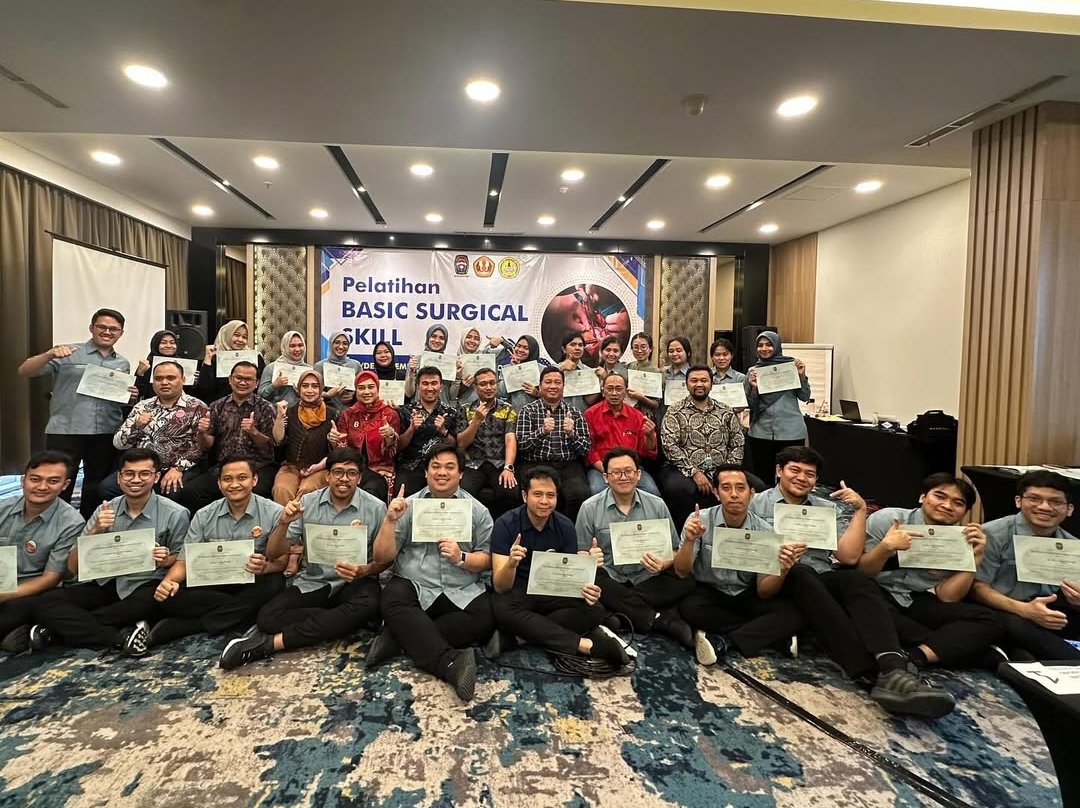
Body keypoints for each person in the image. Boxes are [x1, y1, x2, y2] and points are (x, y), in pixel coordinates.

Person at [750, 447, 957, 717]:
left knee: (856, 580)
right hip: (778, 577)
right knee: (802, 573)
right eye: (795, 470)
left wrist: (859, 511)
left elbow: (847, 556)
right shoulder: (757, 504)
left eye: (810, 474)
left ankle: (892, 665)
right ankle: (871, 673)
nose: (802, 478)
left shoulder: (826, 508)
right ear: (779, 471)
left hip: (820, 578)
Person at [217, 447, 389, 670]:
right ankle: (345, 620)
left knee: (367, 603)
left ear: (359, 478)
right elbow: (274, 553)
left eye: (351, 473)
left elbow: (386, 559)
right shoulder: (307, 503)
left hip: (356, 581)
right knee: (268, 617)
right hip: (315, 580)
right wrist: (283, 523)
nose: (344, 479)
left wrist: (364, 571)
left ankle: (268, 645)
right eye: (338, 472)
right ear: (327, 476)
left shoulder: (376, 507)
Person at [30, 449, 189, 656]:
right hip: (106, 582)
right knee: (47, 601)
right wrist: (95, 531)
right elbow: (72, 567)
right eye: (129, 473)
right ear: (119, 477)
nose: (136, 480)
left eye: (144, 474)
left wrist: (165, 559)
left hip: (145, 584)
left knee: (151, 604)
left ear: (156, 477)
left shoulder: (176, 513)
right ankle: (118, 637)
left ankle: (59, 630)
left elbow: (180, 559)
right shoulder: (104, 510)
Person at [368, 445, 495, 701]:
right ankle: (450, 663)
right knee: (392, 599)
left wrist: (461, 558)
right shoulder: (408, 505)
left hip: (460, 586)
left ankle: (398, 638)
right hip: (415, 584)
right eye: (435, 466)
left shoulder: (478, 511)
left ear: (461, 474)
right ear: (426, 472)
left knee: (485, 618)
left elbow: (488, 559)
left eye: (450, 467)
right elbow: (382, 557)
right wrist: (390, 520)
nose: (442, 473)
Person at [487, 466, 629, 667]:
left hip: (552, 589)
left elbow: (570, 583)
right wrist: (511, 564)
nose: (544, 501)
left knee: (595, 609)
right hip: (519, 590)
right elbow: (501, 587)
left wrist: (588, 579)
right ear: (525, 496)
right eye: (537, 494)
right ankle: (585, 645)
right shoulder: (505, 524)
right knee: (502, 608)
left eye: (550, 495)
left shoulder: (565, 526)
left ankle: (520, 637)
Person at [860, 473, 1006, 668]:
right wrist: (885, 548)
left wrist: (973, 559)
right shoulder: (888, 519)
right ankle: (959, 648)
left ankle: (918, 655)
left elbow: (948, 597)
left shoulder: (961, 539)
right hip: (875, 591)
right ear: (923, 497)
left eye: (958, 503)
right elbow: (862, 572)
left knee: (991, 620)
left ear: (964, 512)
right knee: (872, 615)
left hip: (915, 598)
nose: (947, 506)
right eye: (940, 496)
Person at [148, 457, 287, 646]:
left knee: (275, 583)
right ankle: (242, 615)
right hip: (213, 582)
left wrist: (265, 567)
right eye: (227, 479)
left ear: (254, 480)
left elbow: (283, 562)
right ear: (219, 484)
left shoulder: (275, 512)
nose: (234, 484)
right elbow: (185, 561)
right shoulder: (204, 515)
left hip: (252, 581)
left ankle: (193, 625)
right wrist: (168, 582)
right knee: (168, 597)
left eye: (242, 478)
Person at [675, 466, 804, 666]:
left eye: (740, 488)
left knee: (794, 614)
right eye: (726, 488)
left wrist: (783, 569)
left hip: (746, 592)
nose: (734, 494)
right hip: (710, 590)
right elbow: (681, 572)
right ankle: (770, 635)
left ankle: (723, 640)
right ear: (716, 493)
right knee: (689, 608)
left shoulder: (765, 530)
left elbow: (764, 591)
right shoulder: (699, 520)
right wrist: (689, 541)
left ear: (751, 494)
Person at [18, 307, 138, 518]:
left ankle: (90, 524)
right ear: (91, 327)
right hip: (66, 429)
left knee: (96, 485)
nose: (107, 332)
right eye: (102, 327)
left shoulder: (122, 362)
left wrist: (131, 396)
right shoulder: (67, 352)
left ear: (121, 333)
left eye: (113, 329)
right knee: (59, 481)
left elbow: (120, 399)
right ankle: (56, 523)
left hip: (106, 431)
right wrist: (48, 354)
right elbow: (25, 371)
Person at [576, 448, 694, 645]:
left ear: (638, 474)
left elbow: (674, 550)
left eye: (628, 471)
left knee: (687, 579)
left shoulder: (657, 505)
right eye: (616, 472)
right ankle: (660, 620)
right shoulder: (589, 508)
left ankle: (619, 613)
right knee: (590, 580)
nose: (623, 477)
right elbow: (580, 553)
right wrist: (589, 558)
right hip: (611, 577)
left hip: (649, 578)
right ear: (605, 477)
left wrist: (664, 563)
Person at [971, 470, 1080, 661]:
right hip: (1000, 608)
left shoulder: (1072, 544)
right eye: (1034, 499)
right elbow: (977, 588)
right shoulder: (992, 534)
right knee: (1015, 627)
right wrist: (1025, 610)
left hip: (1047, 607)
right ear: (1018, 501)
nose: (1044, 507)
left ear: (1069, 509)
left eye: (1055, 501)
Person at [0, 451, 83, 653]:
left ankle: (20, 632)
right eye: (35, 479)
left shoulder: (71, 522)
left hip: (32, 589)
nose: (42, 487)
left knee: (30, 606)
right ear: (23, 480)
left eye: (53, 481)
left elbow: (50, 578)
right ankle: (16, 636)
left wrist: (2, 595)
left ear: (65, 485)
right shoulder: (3, 508)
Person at [176, 361, 277, 512]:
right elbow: (207, 445)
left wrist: (254, 433)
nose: (242, 382)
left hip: (257, 466)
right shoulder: (217, 406)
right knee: (191, 492)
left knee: (257, 491)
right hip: (224, 466)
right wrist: (202, 433)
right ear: (230, 379)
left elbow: (270, 448)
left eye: (248, 379)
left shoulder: (266, 407)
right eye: (238, 378)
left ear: (256, 383)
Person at [107, 360, 209, 501]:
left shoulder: (197, 407)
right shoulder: (143, 406)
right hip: (140, 466)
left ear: (183, 380)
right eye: (159, 379)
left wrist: (178, 468)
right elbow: (119, 444)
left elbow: (201, 447)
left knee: (172, 492)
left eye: (170, 378)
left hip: (176, 467)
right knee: (107, 488)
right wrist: (136, 426)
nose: (164, 382)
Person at [658, 365, 745, 529]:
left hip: (722, 468)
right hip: (685, 469)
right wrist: (695, 472)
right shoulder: (674, 411)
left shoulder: (725, 410)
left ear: (712, 384)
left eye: (704, 380)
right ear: (687, 384)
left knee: (756, 485)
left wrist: (727, 472)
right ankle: (687, 534)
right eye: (694, 380)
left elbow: (738, 442)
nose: (699, 384)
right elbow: (669, 445)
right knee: (676, 489)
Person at [514, 366, 591, 521]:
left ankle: (565, 529)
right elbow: (522, 446)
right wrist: (542, 431)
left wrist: (572, 434)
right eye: (548, 382)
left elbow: (585, 449)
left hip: (567, 464)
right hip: (535, 463)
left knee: (579, 494)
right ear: (540, 385)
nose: (553, 386)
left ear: (563, 386)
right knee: (535, 495)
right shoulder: (527, 411)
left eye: (557, 382)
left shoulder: (575, 413)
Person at [745, 331, 810, 485]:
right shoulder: (753, 371)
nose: (764, 348)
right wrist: (754, 388)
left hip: (790, 432)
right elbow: (750, 405)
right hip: (761, 432)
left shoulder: (791, 367)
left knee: (790, 477)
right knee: (762, 478)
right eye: (760, 345)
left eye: (769, 344)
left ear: (777, 346)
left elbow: (805, 396)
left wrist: (801, 376)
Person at [457, 367, 520, 518]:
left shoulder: (508, 409)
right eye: (483, 384)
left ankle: (501, 528)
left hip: (499, 463)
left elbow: (510, 439)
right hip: (472, 464)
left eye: (492, 383)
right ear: (475, 387)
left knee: (510, 492)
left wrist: (508, 467)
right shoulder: (465, 409)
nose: (489, 387)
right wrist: (476, 421)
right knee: (462, 495)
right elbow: (461, 444)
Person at [583, 372, 659, 495]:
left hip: (631, 468)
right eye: (610, 389)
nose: (614, 393)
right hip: (602, 468)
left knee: (651, 492)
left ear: (625, 392)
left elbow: (646, 452)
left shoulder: (637, 416)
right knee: (598, 491)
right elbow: (589, 450)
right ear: (603, 392)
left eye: (618, 389)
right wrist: (607, 470)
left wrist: (650, 436)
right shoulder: (590, 414)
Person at [271, 369, 337, 504]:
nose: (309, 390)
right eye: (305, 386)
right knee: (281, 489)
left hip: (320, 468)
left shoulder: (333, 414)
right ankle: (286, 518)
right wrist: (280, 417)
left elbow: (337, 451)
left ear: (321, 389)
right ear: (299, 389)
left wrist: (334, 441)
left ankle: (299, 519)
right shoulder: (289, 411)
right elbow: (278, 440)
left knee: (307, 491)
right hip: (291, 467)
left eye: (315, 386)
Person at [334, 371, 401, 502]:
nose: (366, 392)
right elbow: (341, 450)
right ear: (356, 390)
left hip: (381, 469)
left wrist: (389, 437)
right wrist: (334, 440)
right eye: (361, 388)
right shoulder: (348, 414)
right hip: (351, 467)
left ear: (377, 389)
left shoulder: (390, 414)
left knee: (370, 492)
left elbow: (392, 452)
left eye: (371, 387)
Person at [396, 366, 459, 495]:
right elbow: (398, 446)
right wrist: (411, 429)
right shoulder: (405, 411)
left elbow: (455, 445)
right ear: (418, 387)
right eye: (425, 383)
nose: (430, 388)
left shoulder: (451, 412)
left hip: (441, 466)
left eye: (434, 383)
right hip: (411, 466)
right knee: (402, 495)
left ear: (441, 387)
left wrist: (443, 431)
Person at [194, 320, 266, 405]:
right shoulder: (214, 357)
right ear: (227, 334)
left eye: (244, 337)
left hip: (249, 406)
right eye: (236, 335)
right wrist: (207, 359)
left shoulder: (255, 357)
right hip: (219, 407)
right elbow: (204, 389)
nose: (240, 340)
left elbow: (261, 386)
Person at [259, 330, 310, 407]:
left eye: (300, 345)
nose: (297, 349)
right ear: (285, 347)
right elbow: (260, 396)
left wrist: (301, 393)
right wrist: (274, 386)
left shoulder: (308, 370)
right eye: (292, 346)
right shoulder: (271, 368)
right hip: (276, 412)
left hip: (303, 412)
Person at [555, 330, 601, 412]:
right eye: (573, 344)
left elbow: (589, 401)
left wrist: (600, 382)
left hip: (581, 415)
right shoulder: (553, 369)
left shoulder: (589, 371)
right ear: (564, 349)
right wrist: (560, 369)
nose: (577, 348)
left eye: (580, 345)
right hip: (558, 414)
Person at [497, 334, 546, 412]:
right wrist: (513, 370)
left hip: (537, 414)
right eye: (518, 346)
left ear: (533, 350)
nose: (520, 350)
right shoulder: (507, 368)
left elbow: (552, 395)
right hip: (513, 414)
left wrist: (538, 394)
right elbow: (502, 393)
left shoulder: (542, 369)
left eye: (526, 348)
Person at [314, 330, 360, 411]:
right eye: (337, 342)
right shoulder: (319, 366)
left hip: (350, 412)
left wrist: (354, 395)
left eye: (345, 343)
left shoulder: (355, 365)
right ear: (331, 344)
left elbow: (362, 389)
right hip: (326, 411)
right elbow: (312, 392)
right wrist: (327, 394)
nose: (341, 347)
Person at [404, 324, 451, 403]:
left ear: (445, 341)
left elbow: (452, 396)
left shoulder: (449, 363)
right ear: (428, 338)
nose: (437, 340)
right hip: (419, 408)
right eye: (433, 336)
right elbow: (408, 393)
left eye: (441, 338)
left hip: (443, 409)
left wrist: (457, 376)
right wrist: (411, 373)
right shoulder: (415, 361)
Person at [133, 329, 181, 401]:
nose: (168, 346)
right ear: (155, 345)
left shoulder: (182, 365)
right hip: (152, 404)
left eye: (172, 343)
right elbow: (138, 391)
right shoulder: (146, 365)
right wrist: (139, 374)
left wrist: (195, 381)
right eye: (163, 343)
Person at [625, 332, 661, 416]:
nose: (639, 350)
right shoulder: (628, 367)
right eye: (636, 347)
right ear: (631, 349)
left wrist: (642, 398)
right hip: (627, 413)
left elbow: (656, 404)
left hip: (646, 416)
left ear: (650, 349)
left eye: (643, 347)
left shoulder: (656, 372)